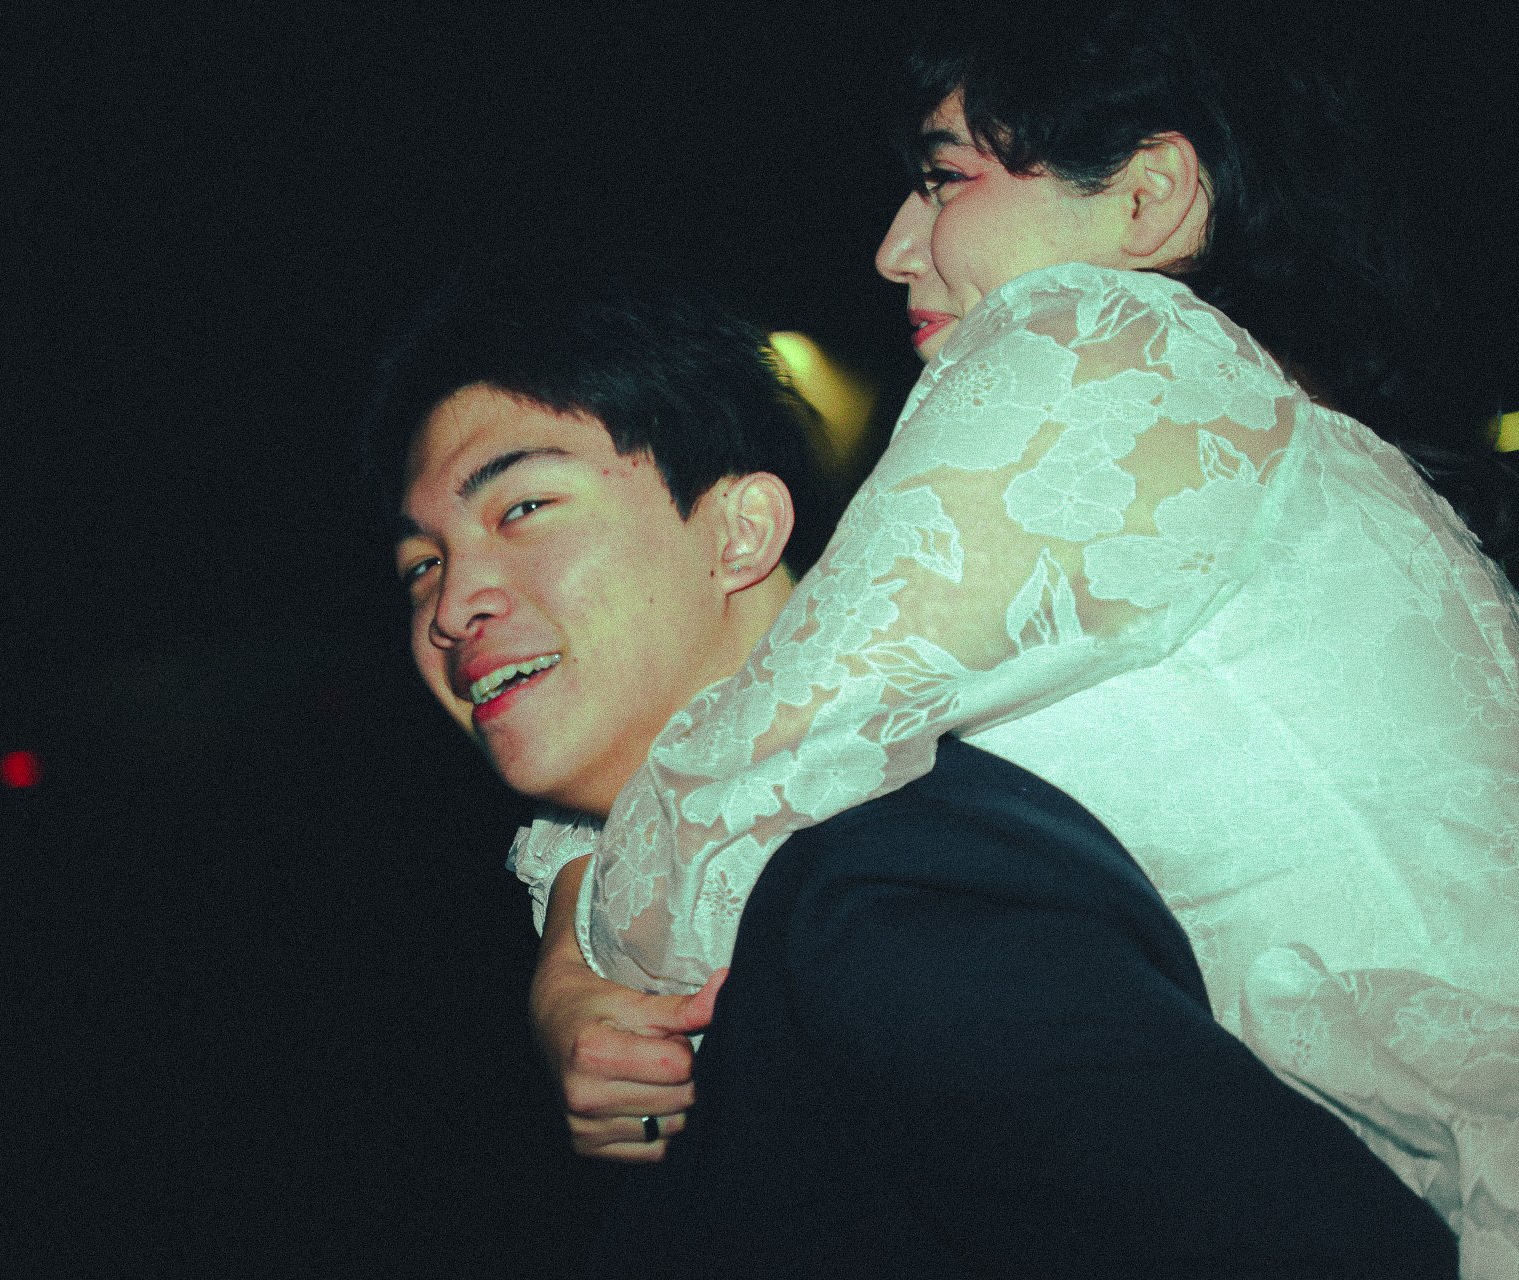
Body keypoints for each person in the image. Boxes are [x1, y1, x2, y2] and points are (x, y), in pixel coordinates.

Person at [517, 2, 1519, 1272]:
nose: (893, 248)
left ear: (1150, 196)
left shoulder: (1107, 349)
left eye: (945, 180)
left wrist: (565, 951)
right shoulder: (1239, 428)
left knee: (854, 917)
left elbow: (723, 838)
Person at [362, 256, 1455, 1274]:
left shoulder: (875, 883)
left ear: (741, 530)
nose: (456, 605)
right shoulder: (699, 914)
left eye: (525, 507)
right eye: (421, 566)